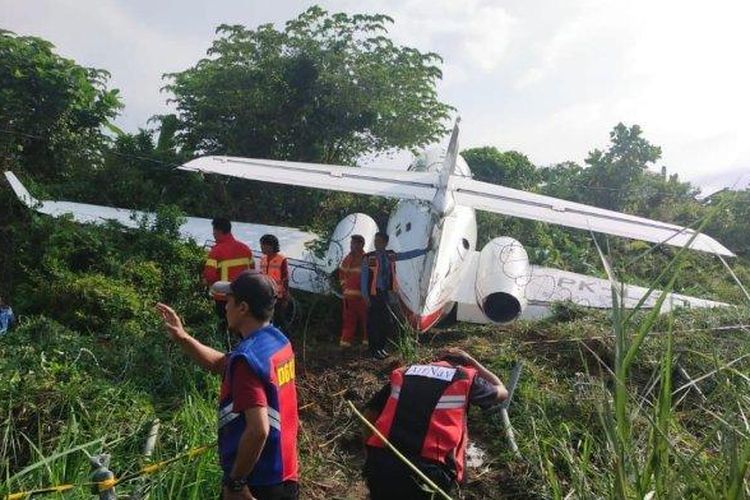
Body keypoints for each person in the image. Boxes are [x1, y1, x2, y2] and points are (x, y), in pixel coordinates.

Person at [156, 272, 299, 500]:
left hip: (257, 481)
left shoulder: (247, 359)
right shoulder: (277, 342)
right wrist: (183, 337)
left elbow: (258, 429)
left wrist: (236, 483)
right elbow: (223, 364)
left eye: (229, 301)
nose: (225, 307)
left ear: (242, 308)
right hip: (284, 471)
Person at [362, 348, 508, 499]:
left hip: (381, 463)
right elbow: (503, 392)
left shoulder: (406, 372)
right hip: (429, 472)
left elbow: (370, 412)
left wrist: (369, 448)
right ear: (464, 365)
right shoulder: (464, 376)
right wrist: (472, 361)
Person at [360, 232, 429, 359]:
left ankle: (381, 347)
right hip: (373, 294)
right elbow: (363, 279)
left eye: (379, 241)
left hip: (385, 293)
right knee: (374, 322)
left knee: (386, 321)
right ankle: (374, 349)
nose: (376, 243)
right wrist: (366, 297)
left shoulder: (390, 255)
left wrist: (424, 251)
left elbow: (406, 255)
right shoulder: (369, 258)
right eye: (375, 240)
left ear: (385, 243)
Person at [203, 218, 254, 332]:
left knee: (224, 329)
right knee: (243, 329)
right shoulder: (245, 249)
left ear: (219, 231)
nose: (213, 234)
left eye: (214, 231)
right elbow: (252, 271)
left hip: (223, 298)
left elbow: (209, 276)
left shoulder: (216, 251)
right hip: (243, 296)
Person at [338, 235, 368, 348]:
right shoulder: (348, 258)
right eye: (351, 243)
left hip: (363, 298)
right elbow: (342, 274)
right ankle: (345, 344)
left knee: (366, 321)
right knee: (348, 321)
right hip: (349, 299)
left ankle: (367, 343)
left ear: (361, 244)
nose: (351, 246)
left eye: (354, 243)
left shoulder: (366, 259)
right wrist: (344, 287)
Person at [259, 234, 290, 332]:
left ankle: (286, 338)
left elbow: (285, 278)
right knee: (267, 319)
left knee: (279, 318)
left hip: (278, 295)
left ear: (270, 246)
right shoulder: (263, 259)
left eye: (263, 245)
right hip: (266, 293)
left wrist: (285, 296)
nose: (261, 247)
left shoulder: (281, 259)